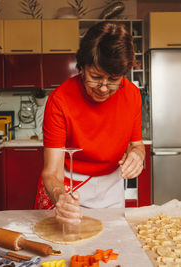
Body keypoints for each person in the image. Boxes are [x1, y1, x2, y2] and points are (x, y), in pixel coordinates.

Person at [34, 21, 145, 226]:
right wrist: (61, 197)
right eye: (95, 77)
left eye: (113, 79)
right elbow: (51, 172)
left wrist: (137, 155)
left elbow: (137, 145)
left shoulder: (132, 95)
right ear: (82, 68)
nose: (103, 88)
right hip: (68, 188)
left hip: (112, 189)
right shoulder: (60, 100)